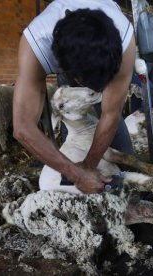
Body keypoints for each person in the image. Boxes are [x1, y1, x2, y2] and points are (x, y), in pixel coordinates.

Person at [13, 1, 136, 194]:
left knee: (123, 146)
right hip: (67, 53)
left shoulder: (125, 41)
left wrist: (89, 166)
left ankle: (128, 183)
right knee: (70, 111)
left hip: (104, 54)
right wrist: (75, 174)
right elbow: (22, 127)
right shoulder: (35, 44)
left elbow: (110, 114)